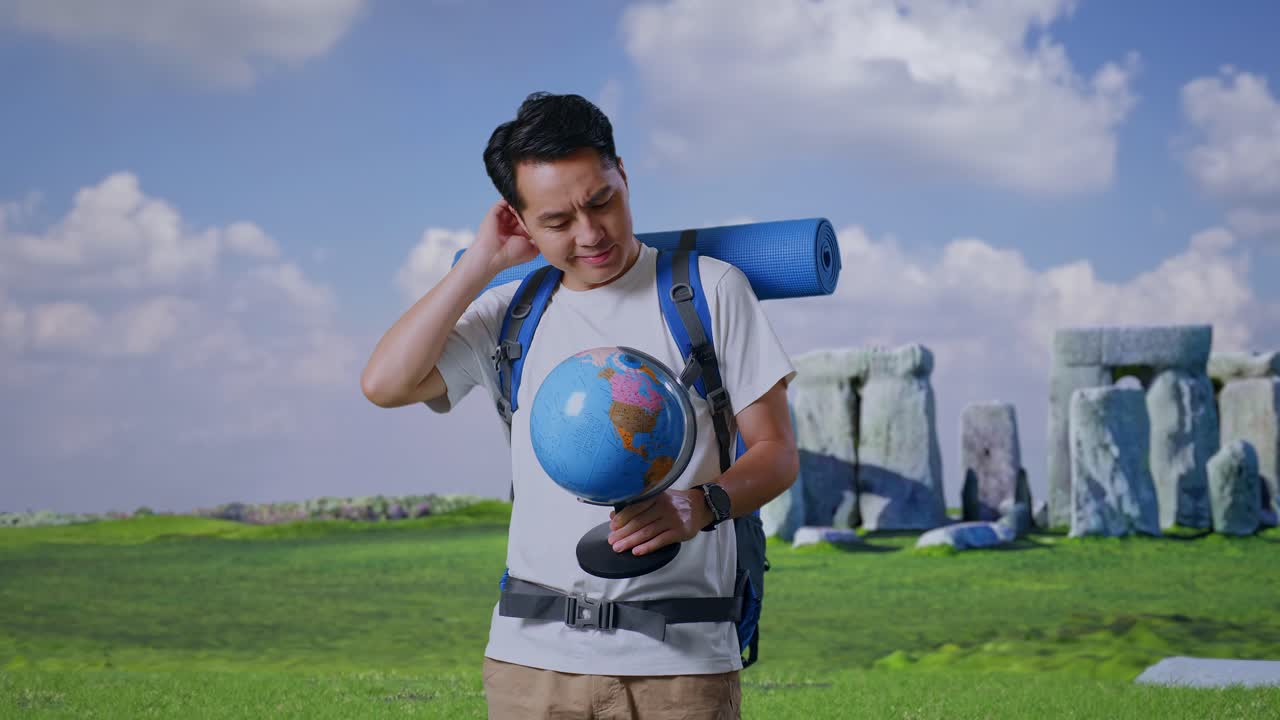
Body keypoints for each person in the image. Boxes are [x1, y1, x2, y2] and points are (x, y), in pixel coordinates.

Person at [361, 92, 798, 719]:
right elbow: (385, 384)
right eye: (557, 221)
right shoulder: (512, 313)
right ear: (519, 221)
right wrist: (481, 263)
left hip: (679, 666)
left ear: (624, 176)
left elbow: (777, 453)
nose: (590, 235)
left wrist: (701, 504)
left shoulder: (709, 291)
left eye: (601, 202)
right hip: (530, 664)